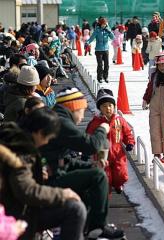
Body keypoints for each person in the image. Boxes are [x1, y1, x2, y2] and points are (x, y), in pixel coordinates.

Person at [40, 87, 125, 239]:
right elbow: (90, 145)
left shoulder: (58, 117)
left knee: (91, 174)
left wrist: (89, 165)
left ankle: (86, 226)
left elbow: (62, 157)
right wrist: (101, 129)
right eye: (83, 110)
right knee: (98, 176)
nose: (83, 115)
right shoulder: (61, 122)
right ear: (74, 107)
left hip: (53, 169)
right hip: (48, 178)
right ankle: (98, 226)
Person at [0, 108, 87, 240]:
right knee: (75, 209)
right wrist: (62, 194)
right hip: (14, 215)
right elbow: (27, 191)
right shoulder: (22, 150)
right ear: (40, 133)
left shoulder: (11, 139)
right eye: (48, 138)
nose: (46, 142)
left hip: (11, 207)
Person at [86, 88, 135, 194]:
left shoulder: (119, 120)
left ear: (114, 106)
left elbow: (127, 133)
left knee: (121, 174)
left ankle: (118, 184)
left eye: (110, 105)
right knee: (105, 177)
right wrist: (87, 150)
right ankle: (105, 193)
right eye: (104, 106)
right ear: (100, 108)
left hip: (118, 153)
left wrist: (130, 143)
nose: (108, 108)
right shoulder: (96, 122)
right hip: (102, 155)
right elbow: (88, 136)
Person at [86, 17, 114, 83]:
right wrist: (87, 42)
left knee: (106, 64)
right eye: (103, 24)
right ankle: (100, 78)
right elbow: (91, 38)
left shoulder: (107, 30)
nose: (104, 25)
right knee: (100, 64)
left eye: (105, 24)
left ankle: (106, 77)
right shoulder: (97, 30)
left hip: (106, 49)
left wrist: (109, 32)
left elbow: (113, 37)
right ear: (100, 24)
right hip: (98, 50)